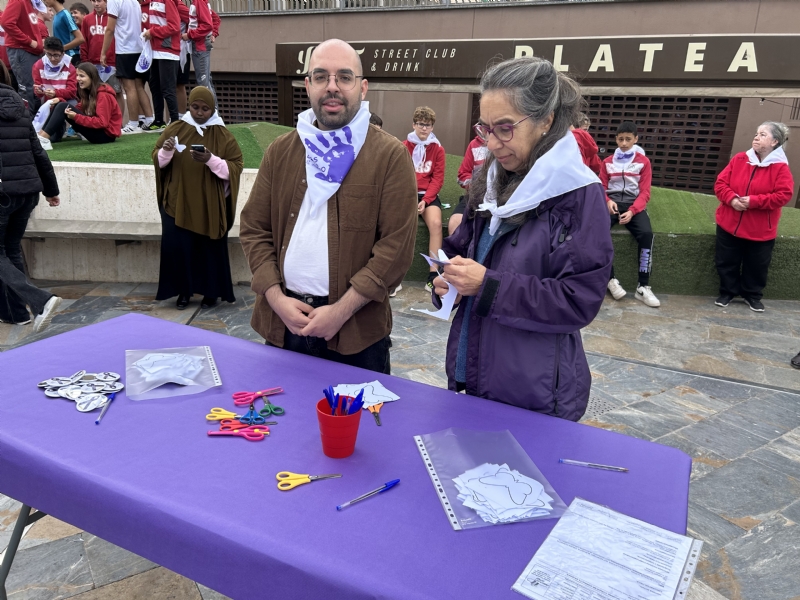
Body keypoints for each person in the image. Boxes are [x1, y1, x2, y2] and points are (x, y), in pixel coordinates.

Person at [431, 56, 612, 421]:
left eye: (505, 128)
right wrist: (444, 281)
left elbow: (578, 300)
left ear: (546, 120)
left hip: (532, 389)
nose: (492, 143)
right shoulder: (490, 179)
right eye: (485, 129)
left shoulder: (577, 193)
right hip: (472, 370)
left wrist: (486, 286)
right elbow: (458, 249)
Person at [239, 38, 417, 374]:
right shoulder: (281, 152)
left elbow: (395, 248)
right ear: (307, 85)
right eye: (321, 77)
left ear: (362, 88)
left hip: (356, 335)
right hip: (285, 325)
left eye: (344, 77)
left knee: (359, 427)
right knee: (285, 423)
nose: (332, 87)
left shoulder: (390, 157)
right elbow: (254, 228)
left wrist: (341, 311)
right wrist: (277, 300)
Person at [152, 86, 242, 310]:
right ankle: (183, 292)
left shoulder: (223, 135)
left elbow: (235, 167)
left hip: (209, 204)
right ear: (188, 105)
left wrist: (210, 159)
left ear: (212, 109)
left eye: (205, 109)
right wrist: (167, 151)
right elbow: (158, 160)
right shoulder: (175, 128)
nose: (199, 112)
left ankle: (211, 293)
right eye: (194, 107)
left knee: (209, 249)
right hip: (177, 202)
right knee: (179, 248)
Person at [0, 62, 63, 332]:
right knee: (10, 249)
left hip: (4, 193)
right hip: (27, 191)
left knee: (6, 250)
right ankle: (17, 313)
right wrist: (51, 189)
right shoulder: (20, 104)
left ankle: (41, 300)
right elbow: (38, 151)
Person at [713, 121, 794, 312]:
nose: (756, 137)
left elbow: (783, 195)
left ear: (775, 141)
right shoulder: (740, 159)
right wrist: (732, 199)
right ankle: (727, 292)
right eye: (757, 133)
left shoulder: (781, 168)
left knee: (756, 266)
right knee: (726, 261)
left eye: (763, 134)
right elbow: (720, 184)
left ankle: (752, 295)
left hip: (760, 230)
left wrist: (753, 201)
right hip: (728, 223)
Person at [599, 121, 660, 307]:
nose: (624, 143)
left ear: (636, 139)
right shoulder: (607, 162)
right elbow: (600, 186)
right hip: (612, 203)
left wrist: (633, 211)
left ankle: (643, 286)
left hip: (634, 204)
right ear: (616, 139)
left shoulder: (644, 162)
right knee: (598, 231)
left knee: (647, 234)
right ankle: (610, 280)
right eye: (620, 139)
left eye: (628, 139)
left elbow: (645, 192)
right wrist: (608, 201)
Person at [403, 106, 445, 291]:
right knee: (397, 223)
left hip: (428, 195)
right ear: (413, 124)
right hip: (408, 193)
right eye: (420, 124)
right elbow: (400, 176)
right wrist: (411, 198)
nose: (424, 128)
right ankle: (394, 276)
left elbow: (437, 179)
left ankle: (433, 274)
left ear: (432, 127)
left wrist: (426, 200)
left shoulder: (438, 149)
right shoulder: (404, 146)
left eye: (428, 125)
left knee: (436, 224)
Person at [38, 62, 121, 146]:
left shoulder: (103, 95)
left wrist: (76, 117)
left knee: (63, 106)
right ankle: (40, 137)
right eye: (77, 75)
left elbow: (102, 123)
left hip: (105, 135)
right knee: (61, 105)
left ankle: (43, 139)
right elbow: (76, 109)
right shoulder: (89, 92)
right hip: (98, 132)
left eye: (82, 76)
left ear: (92, 77)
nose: (77, 78)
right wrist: (59, 100)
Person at [102, 0, 154, 133]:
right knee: (139, 86)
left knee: (129, 87)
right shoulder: (134, 1)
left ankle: (133, 123)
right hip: (139, 47)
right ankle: (149, 119)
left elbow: (109, 29)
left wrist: (103, 52)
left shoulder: (114, 1)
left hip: (125, 49)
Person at [80, 0, 125, 120]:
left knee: (117, 92)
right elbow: (83, 41)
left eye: (99, 1)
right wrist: (85, 62)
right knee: (94, 94)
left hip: (111, 62)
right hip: (92, 64)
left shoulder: (113, 17)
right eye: (93, 1)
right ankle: (96, 120)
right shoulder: (87, 19)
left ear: (106, 2)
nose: (96, 4)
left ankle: (118, 123)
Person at [1, 0, 46, 114]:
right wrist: (30, 42)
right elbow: (6, 23)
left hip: (32, 52)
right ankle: (28, 123)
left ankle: (36, 123)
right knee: (27, 89)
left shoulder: (32, 3)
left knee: (35, 88)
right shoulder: (18, 1)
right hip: (22, 50)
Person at [449, 134, 488, 235]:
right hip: (475, 195)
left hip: (499, 199)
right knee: (455, 223)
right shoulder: (474, 144)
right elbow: (462, 175)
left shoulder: (506, 145)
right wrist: (475, 185)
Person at [181, 0, 214, 100]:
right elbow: (215, 19)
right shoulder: (199, 2)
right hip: (199, 45)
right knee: (206, 83)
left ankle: (211, 114)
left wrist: (189, 35)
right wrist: (214, 33)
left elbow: (208, 25)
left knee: (204, 85)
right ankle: (214, 113)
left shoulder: (198, 2)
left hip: (200, 46)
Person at [44, 0, 84, 66]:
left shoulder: (65, 15)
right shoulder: (56, 16)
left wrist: (61, 48)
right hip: (61, 57)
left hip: (71, 57)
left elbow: (80, 39)